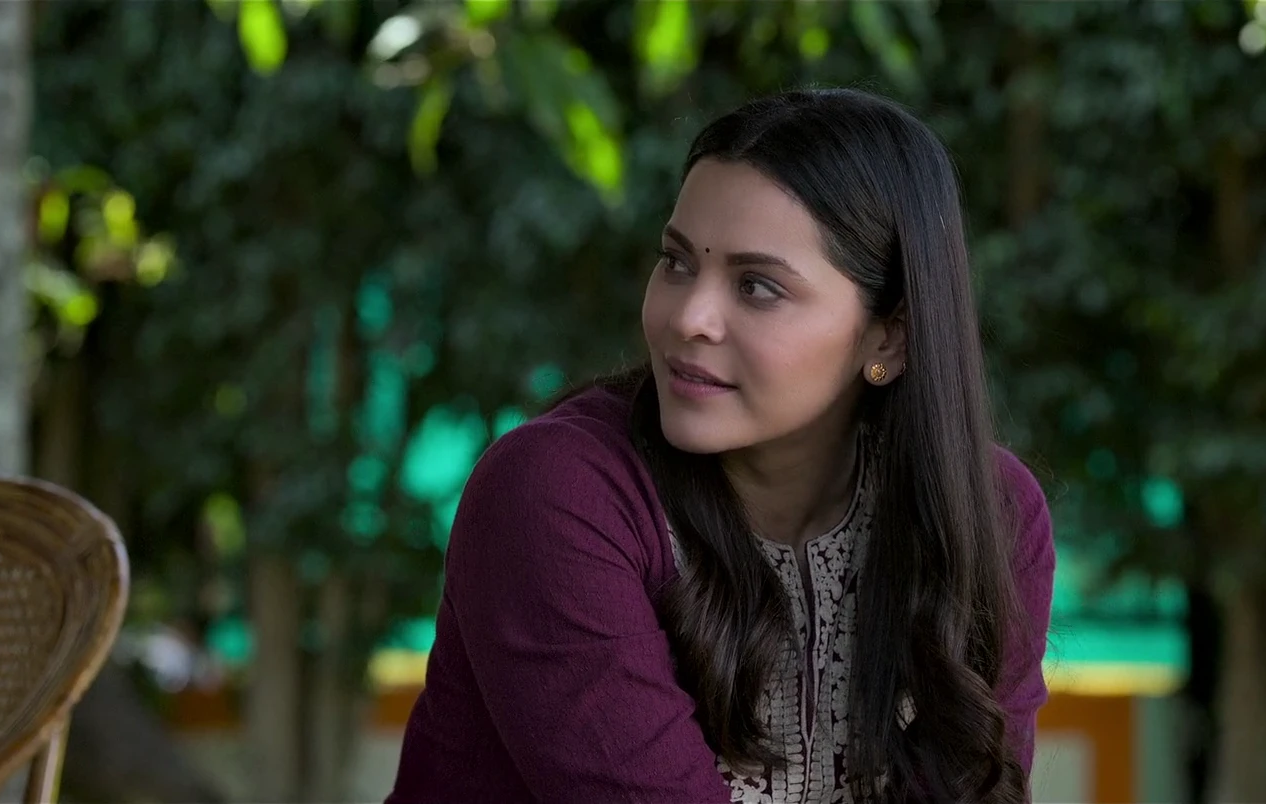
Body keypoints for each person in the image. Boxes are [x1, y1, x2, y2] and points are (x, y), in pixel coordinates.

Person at [386, 88, 1056, 804]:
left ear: (889, 336)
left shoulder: (988, 517)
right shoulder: (560, 495)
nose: (688, 318)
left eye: (757, 286)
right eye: (676, 263)